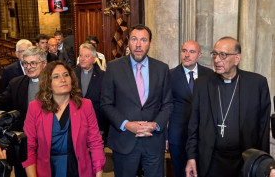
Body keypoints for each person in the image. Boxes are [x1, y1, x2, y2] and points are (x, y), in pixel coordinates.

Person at [185, 37, 271, 177]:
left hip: (245, 161)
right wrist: (191, 157)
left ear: (237, 58)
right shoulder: (202, 84)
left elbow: (263, 128)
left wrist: (264, 164)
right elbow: (193, 124)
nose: (217, 60)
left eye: (223, 55)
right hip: (211, 160)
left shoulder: (257, 84)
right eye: (215, 54)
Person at [101, 24, 173, 177]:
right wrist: (126, 124)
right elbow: (106, 104)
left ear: (150, 44)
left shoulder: (162, 69)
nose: (138, 44)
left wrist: (155, 125)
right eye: (134, 39)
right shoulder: (113, 68)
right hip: (124, 140)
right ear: (128, 42)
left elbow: (167, 104)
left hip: (153, 141)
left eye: (143, 40)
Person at [22, 60, 106, 177]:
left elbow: (95, 142)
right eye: (56, 76)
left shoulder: (85, 105)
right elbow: (28, 147)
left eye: (66, 75)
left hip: (79, 169)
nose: (63, 79)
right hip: (48, 170)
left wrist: (98, 174)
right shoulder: (35, 108)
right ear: (48, 83)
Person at [0, 46, 47, 177]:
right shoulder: (16, 83)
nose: (28, 67)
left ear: (44, 63)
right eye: (25, 63)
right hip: (24, 143)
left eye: (33, 63)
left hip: (49, 143)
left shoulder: (54, 83)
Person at [168, 41, 213, 177]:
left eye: (192, 52)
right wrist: (165, 136)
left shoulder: (210, 75)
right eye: (184, 51)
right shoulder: (170, 75)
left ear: (199, 55)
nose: (187, 55)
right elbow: (164, 106)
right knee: (181, 173)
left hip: (203, 136)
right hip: (178, 135)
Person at [74, 43, 107, 137]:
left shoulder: (103, 76)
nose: (82, 58)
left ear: (93, 59)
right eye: (81, 55)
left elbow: (104, 103)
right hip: (76, 122)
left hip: (96, 123)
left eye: (86, 56)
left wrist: (101, 126)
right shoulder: (72, 74)